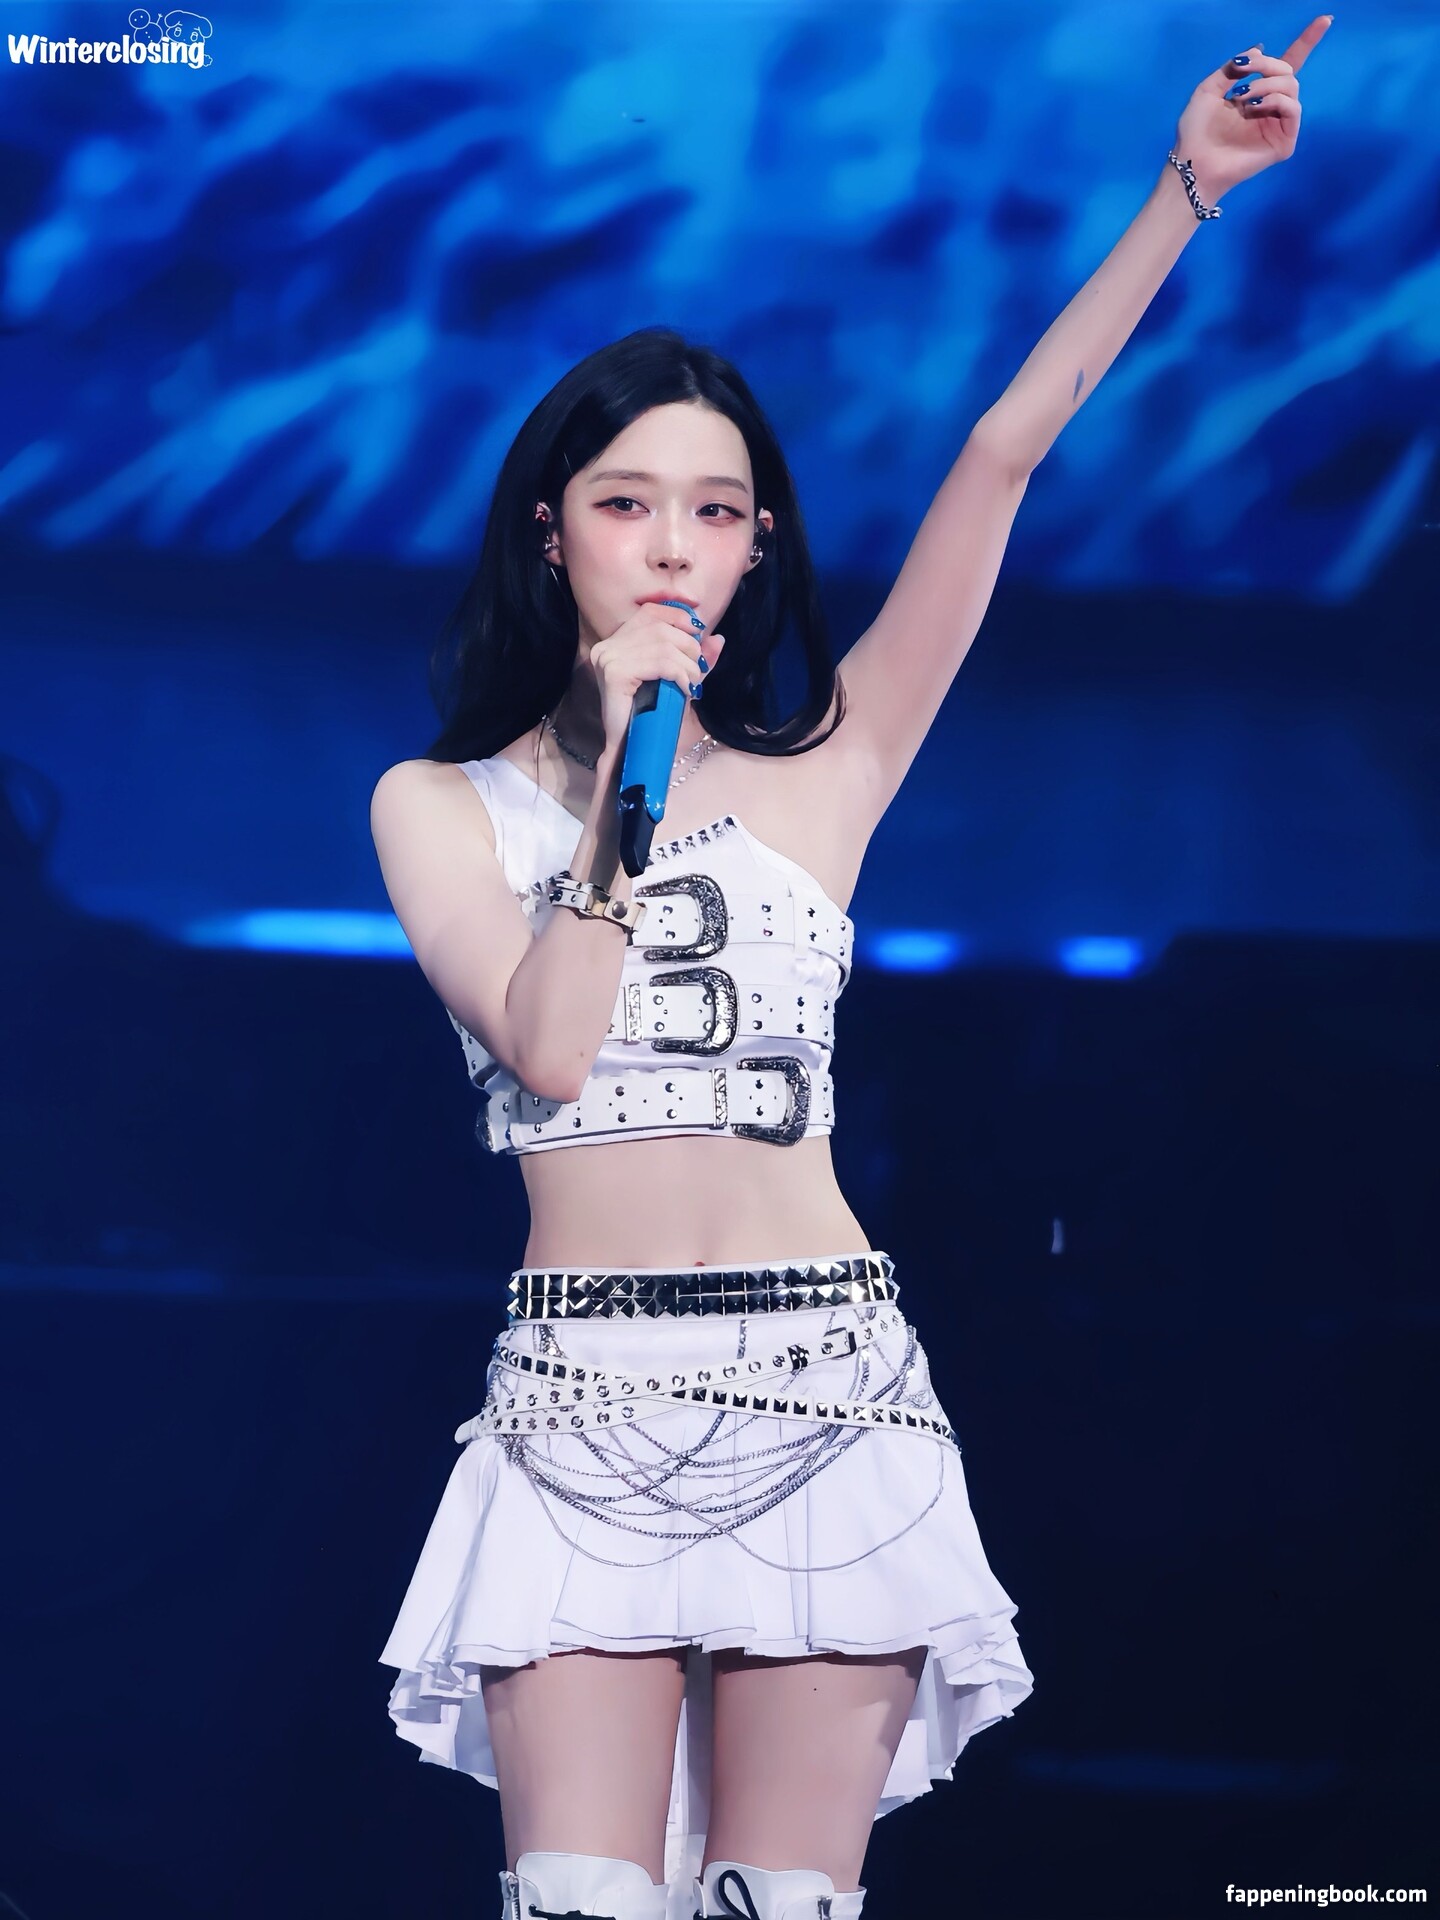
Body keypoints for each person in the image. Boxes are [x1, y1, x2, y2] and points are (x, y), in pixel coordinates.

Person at [370, 27, 1328, 1919]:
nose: (672, 543)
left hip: (824, 1382)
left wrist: (1187, 194)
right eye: (627, 501)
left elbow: (1004, 453)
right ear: (551, 532)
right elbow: (552, 1047)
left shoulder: (840, 763)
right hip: (576, 1394)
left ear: (758, 546)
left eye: (715, 508)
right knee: (578, 1898)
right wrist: (623, 780)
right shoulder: (436, 806)